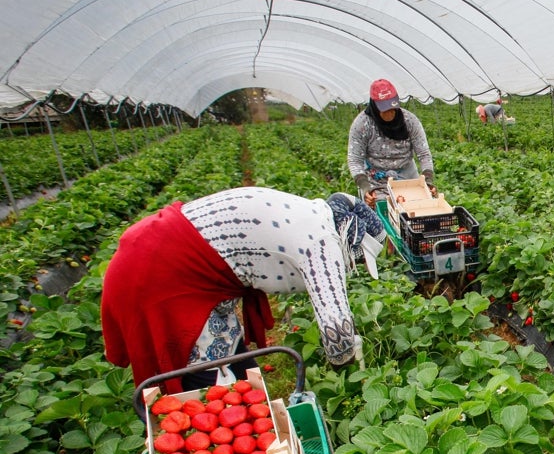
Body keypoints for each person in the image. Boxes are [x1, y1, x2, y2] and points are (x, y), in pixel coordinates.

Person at [101, 186, 385, 393]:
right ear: (351, 238)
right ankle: (216, 437)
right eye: (360, 257)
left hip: (161, 249)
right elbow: (338, 334)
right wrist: (355, 380)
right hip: (162, 272)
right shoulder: (322, 243)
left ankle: (248, 408)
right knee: (208, 372)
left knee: (236, 357)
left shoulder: (312, 213)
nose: (355, 264)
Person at [347, 78, 436, 208]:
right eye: (385, 110)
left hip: (407, 177)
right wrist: (366, 187)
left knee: (416, 210)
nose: (390, 114)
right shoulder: (362, 124)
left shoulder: (409, 121)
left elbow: (424, 154)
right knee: (382, 215)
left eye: (393, 108)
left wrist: (427, 180)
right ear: (375, 107)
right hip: (376, 181)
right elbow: (355, 159)